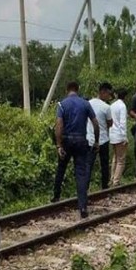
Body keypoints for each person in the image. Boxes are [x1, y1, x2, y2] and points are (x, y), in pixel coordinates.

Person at [53, 81, 99, 219]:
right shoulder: (85, 104)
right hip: (81, 141)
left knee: (61, 168)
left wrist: (59, 145)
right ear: (77, 90)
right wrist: (96, 141)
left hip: (66, 140)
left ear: (67, 89)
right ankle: (83, 207)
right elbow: (95, 124)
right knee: (81, 174)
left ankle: (56, 196)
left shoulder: (62, 104)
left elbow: (59, 125)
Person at [87, 82, 113, 190]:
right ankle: (104, 187)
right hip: (103, 140)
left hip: (89, 139)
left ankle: (85, 188)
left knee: (89, 165)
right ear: (103, 92)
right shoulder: (106, 107)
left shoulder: (88, 103)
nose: (109, 97)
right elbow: (110, 123)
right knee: (104, 165)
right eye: (108, 94)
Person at [109, 88, 129, 186]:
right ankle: (116, 181)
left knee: (115, 157)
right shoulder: (122, 106)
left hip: (112, 134)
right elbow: (123, 123)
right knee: (121, 159)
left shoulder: (112, 105)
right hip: (119, 135)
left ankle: (112, 178)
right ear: (125, 97)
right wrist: (125, 136)